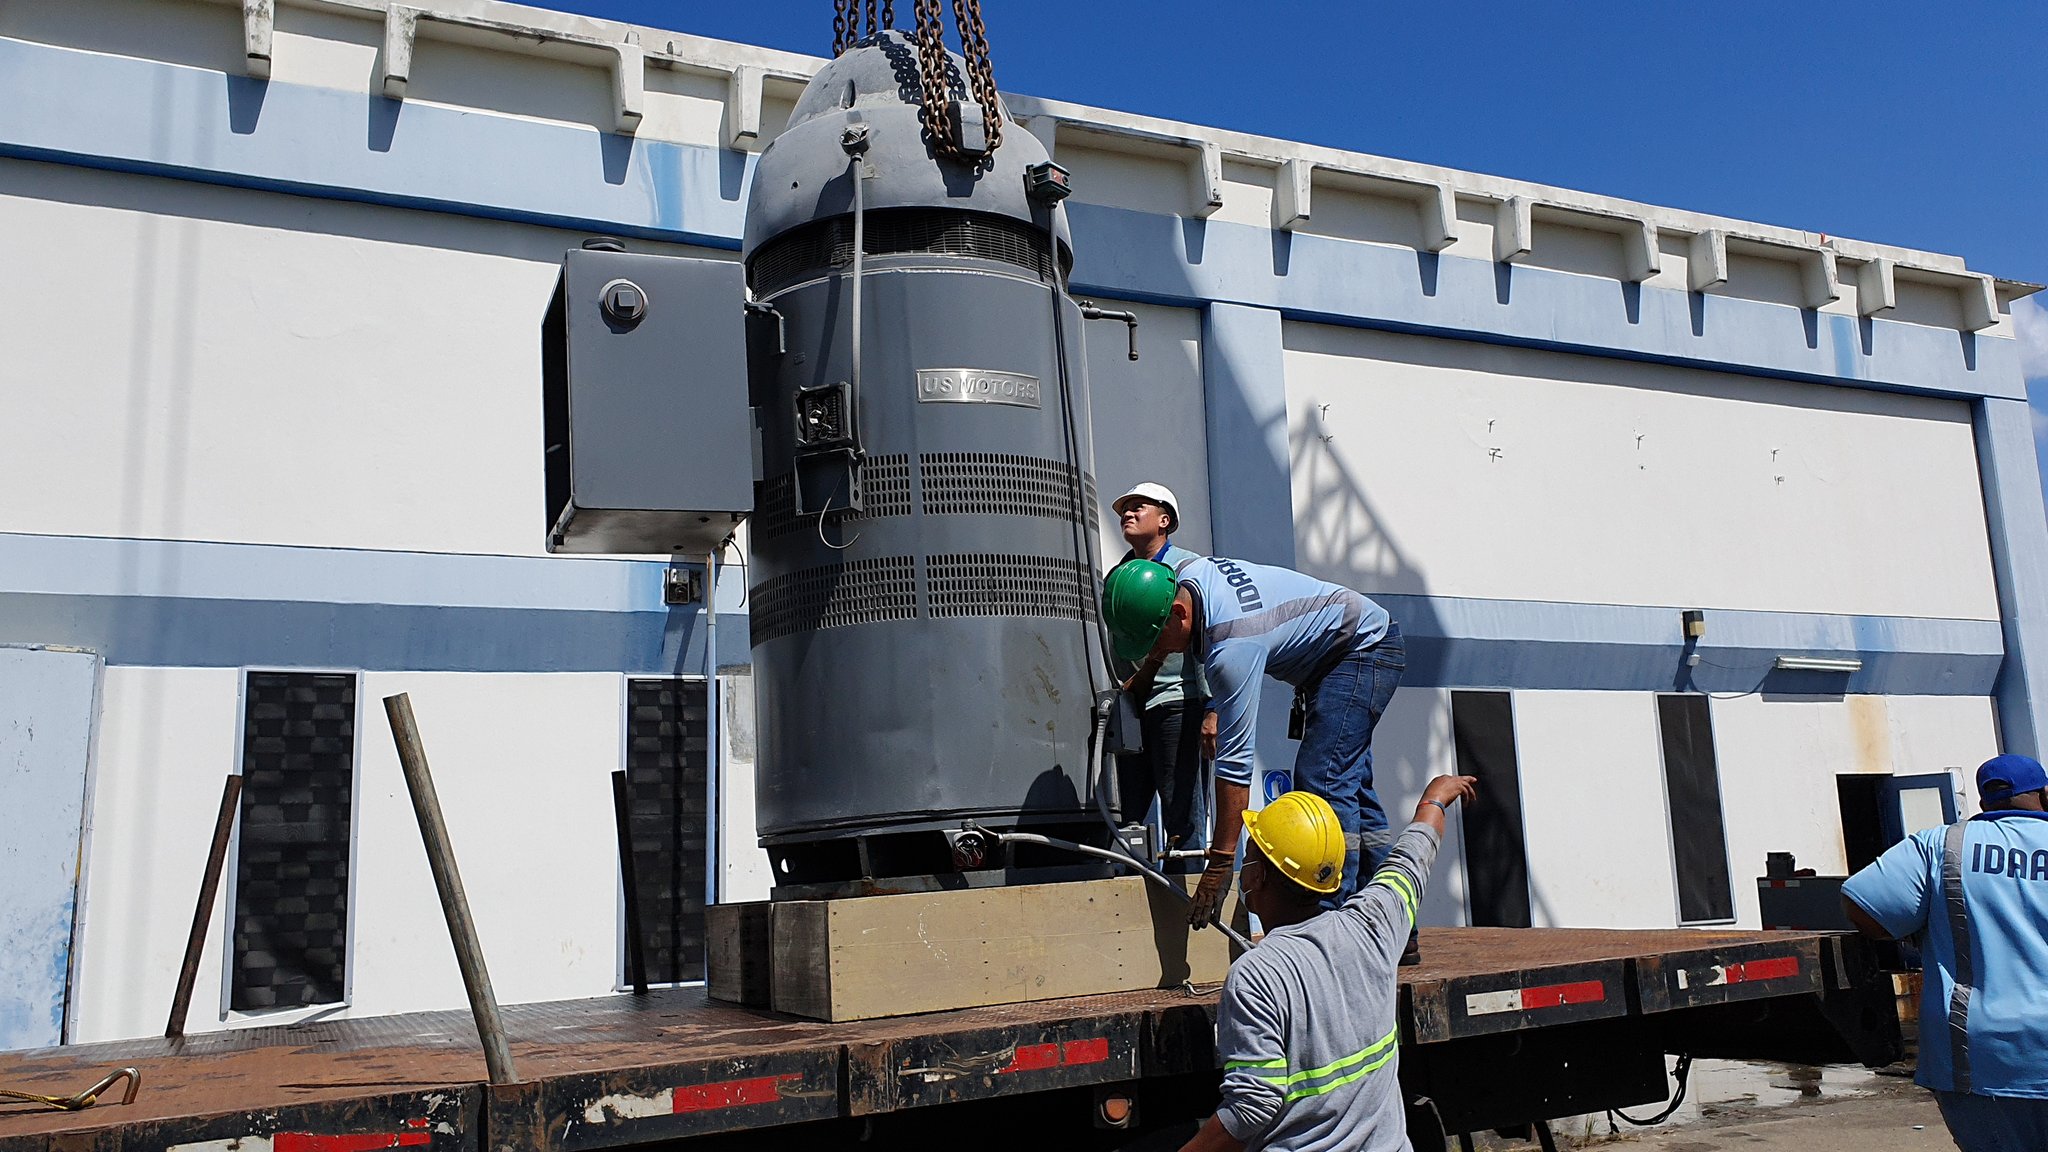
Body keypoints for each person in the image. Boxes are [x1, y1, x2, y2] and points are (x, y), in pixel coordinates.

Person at [1102, 555, 1406, 931]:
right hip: (1355, 645)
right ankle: (1397, 926)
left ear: (1180, 613)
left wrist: (1220, 862)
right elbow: (1173, 626)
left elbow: (1235, 765)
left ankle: (1334, 923)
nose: (1155, 650)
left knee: (1323, 779)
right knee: (1354, 788)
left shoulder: (1233, 647)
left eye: (1154, 639)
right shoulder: (1188, 576)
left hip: (1361, 650)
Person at [1178, 777, 1477, 1152]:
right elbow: (1411, 860)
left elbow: (1253, 1106)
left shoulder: (1257, 975)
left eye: (1250, 854)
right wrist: (1433, 801)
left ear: (1260, 874)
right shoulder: (1372, 926)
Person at [1841, 754, 2048, 1150]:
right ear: (2044, 794)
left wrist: (1917, 931)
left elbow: (1862, 905)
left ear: (1986, 804)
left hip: (1981, 1056)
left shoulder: (1944, 844)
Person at [1109, 482, 1209, 854]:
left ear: (1164, 519)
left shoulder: (1188, 567)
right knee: (1129, 812)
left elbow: (1205, 636)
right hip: (1132, 706)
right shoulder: (1120, 575)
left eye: (1139, 507)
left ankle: (1187, 885)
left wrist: (1210, 707)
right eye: (1124, 509)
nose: (1128, 514)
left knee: (1181, 810)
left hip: (1177, 702)